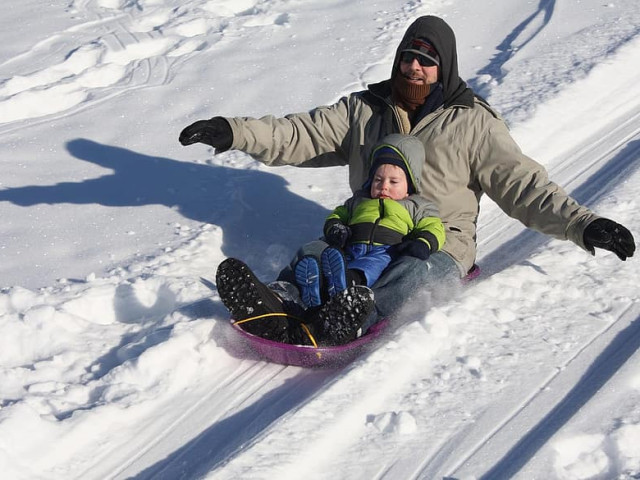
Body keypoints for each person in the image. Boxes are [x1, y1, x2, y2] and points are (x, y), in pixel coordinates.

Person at [181, 15, 635, 340]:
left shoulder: (473, 123)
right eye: (408, 57)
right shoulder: (365, 109)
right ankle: (279, 301)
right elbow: (301, 133)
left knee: (415, 272)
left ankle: (356, 314)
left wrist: (582, 223)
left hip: (435, 238)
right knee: (320, 252)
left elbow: (523, 184)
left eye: (427, 61)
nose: (414, 67)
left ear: (445, 68)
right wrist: (235, 131)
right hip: (367, 227)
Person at [217, 134, 446, 346]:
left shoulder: (419, 206)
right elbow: (338, 215)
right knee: (313, 249)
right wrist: (336, 227)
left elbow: (434, 228)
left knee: (401, 266)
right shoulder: (357, 201)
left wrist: (423, 242)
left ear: (410, 185)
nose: (383, 186)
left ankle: (353, 307)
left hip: (386, 253)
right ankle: (283, 296)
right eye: (378, 179)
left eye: (393, 182)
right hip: (346, 251)